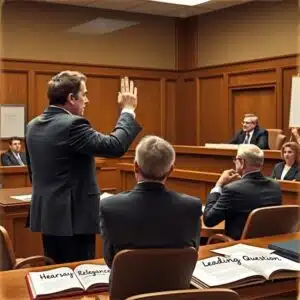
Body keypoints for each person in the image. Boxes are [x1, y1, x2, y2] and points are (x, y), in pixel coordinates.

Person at [25, 71, 142, 264]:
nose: (87, 100)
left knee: (56, 271)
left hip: (48, 215)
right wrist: (127, 110)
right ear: (71, 98)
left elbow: (33, 172)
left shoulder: (32, 125)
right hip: (73, 219)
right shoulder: (73, 125)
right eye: (84, 94)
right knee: (77, 275)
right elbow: (114, 146)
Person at [99, 135, 202, 268]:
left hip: (127, 286)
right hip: (175, 286)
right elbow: (193, 252)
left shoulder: (109, 207)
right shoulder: (192, 207)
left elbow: (110, 260)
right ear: (171, 170)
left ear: (135, 167)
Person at [203, 144, 282, 240]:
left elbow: (209, 220)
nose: (235, 162)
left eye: (236, 160)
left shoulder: (232, 189)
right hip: (267, 245)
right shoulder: (275, 185)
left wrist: (218, 185)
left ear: (242, 162)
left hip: (239, 247)